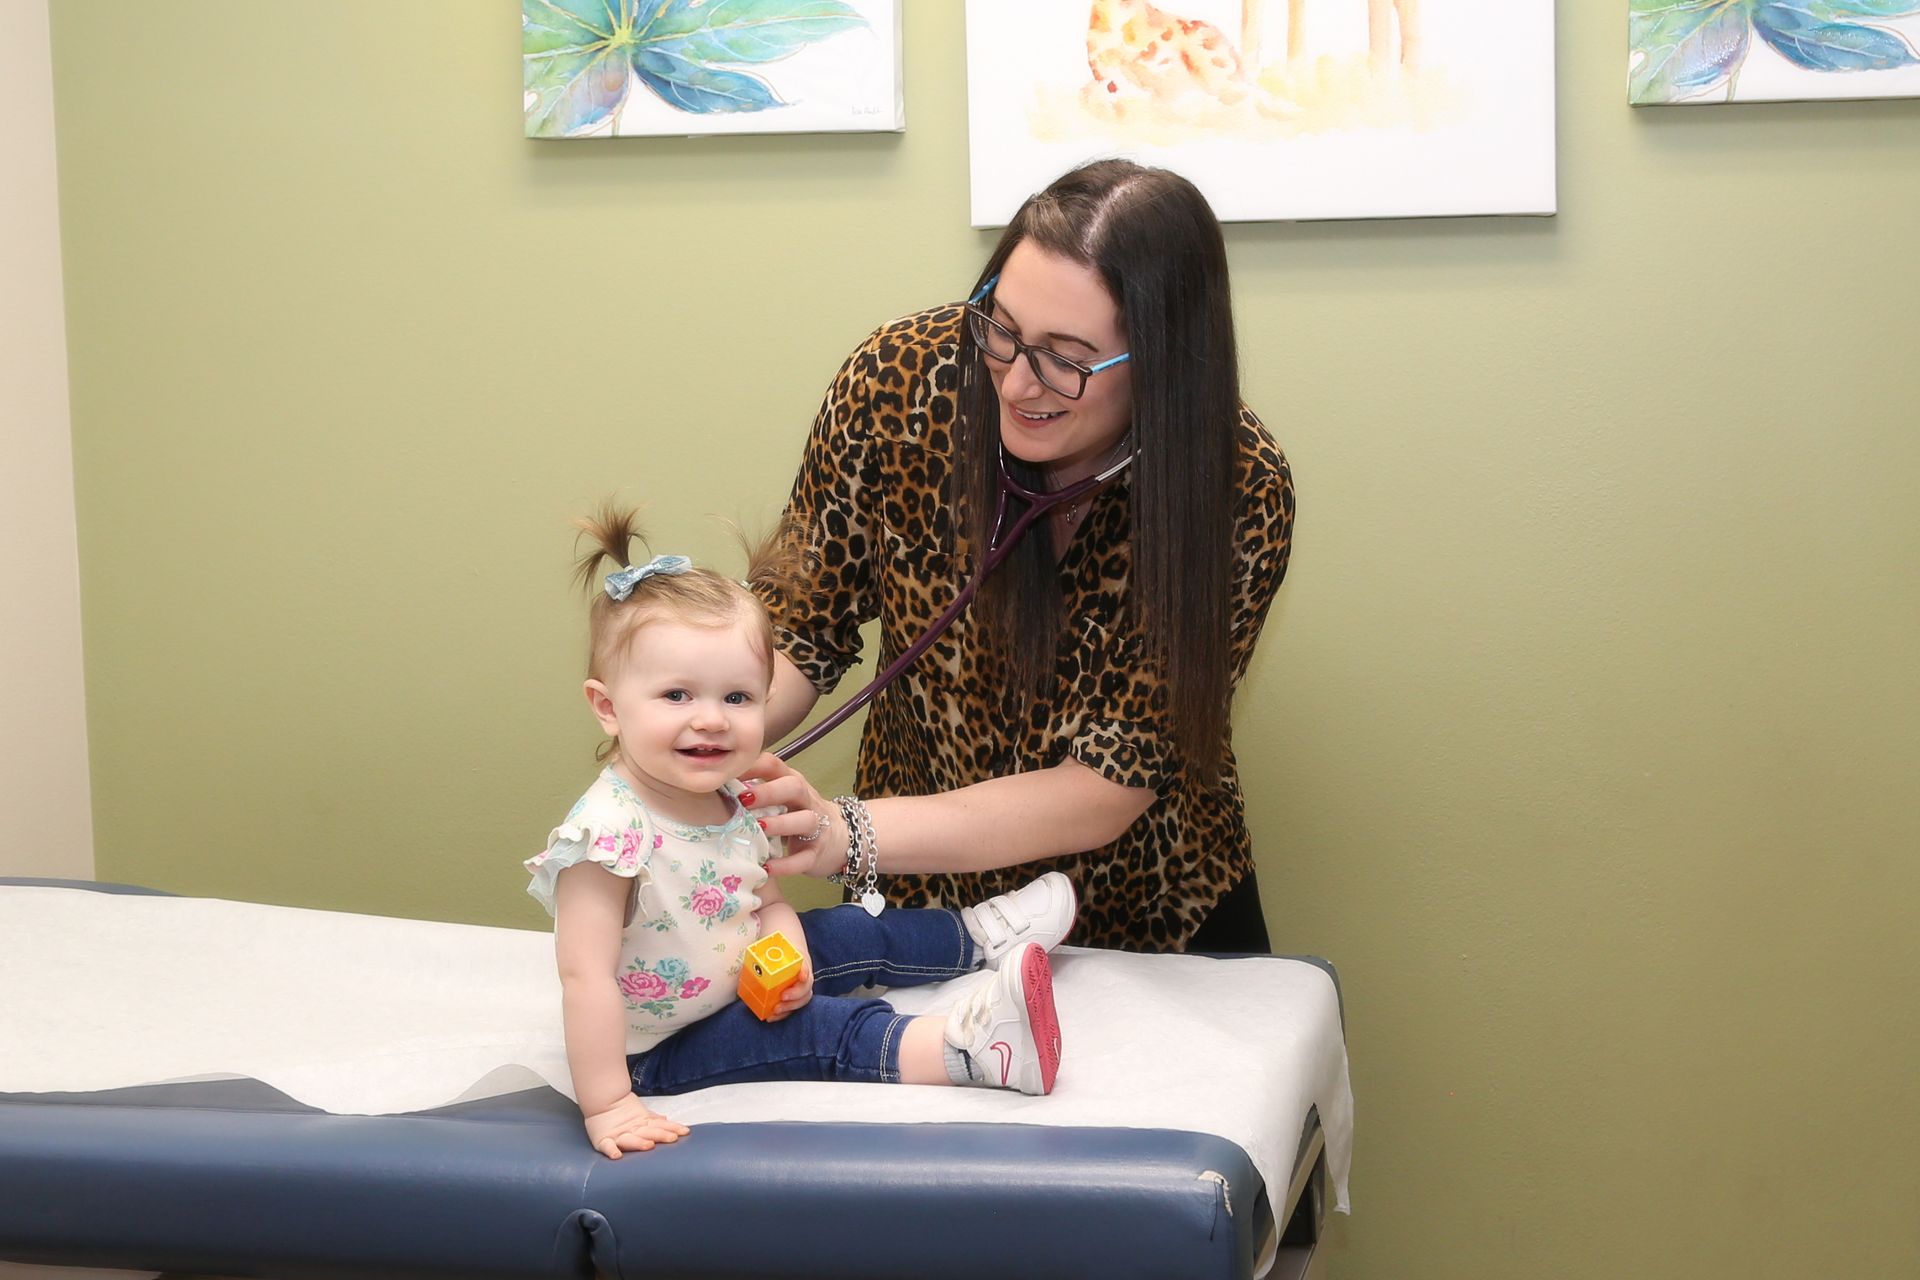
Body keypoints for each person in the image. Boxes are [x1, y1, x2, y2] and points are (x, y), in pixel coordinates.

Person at [743, 159, 1295, 954]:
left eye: (1065, 359)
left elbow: (1106, 784)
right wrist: (700, 730)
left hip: (1139, 916)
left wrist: (844, 831)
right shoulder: (896, 387)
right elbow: (799, 628)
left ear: (1163, 364)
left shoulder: (1236, 488)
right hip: (921, 900)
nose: (1015, 382)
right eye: (1001, 329)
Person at [525, 505, 1079, 1159]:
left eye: (737, 698)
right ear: (608, 708)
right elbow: (584, 979)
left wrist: (788, 958)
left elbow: (767, 903)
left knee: (849, 932)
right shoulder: (606, 839)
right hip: (663, 1048)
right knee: (820, 1031)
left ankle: (976, 937)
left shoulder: (732, 798)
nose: (711, 720)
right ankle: (970, 1049)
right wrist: (610, 1103)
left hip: (743, 978)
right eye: (676, 696)